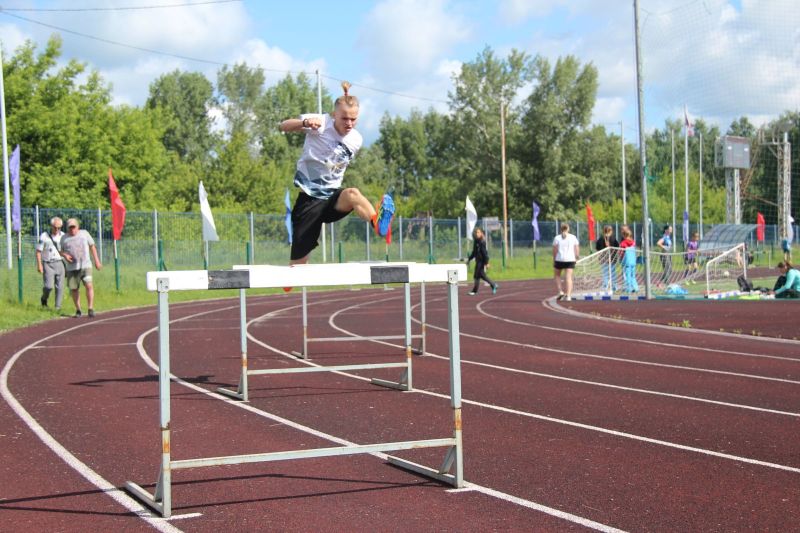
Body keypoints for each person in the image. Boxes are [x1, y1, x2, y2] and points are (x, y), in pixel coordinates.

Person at [280, 81, 393, 266]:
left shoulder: (356, 140)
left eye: (353, 119)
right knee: (298, 266)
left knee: (353, 194)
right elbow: (283, 126)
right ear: (334, 115)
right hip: (310, 200)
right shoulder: (320, 123)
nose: (349, 124)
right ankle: (293, 274)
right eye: (344, 119)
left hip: (333, 198)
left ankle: (378, 224)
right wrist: (304, 123)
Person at [60, 218, 102, 317]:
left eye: (74, 227)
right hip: (72, 267)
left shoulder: (84, 234)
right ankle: (78, 309)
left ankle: (90, 308)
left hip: (85, 265)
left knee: (89, 285)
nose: (72, 229)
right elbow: (60, 250)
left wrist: (97, 261)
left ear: (77, 227)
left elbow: (92, 246)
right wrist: (65, 255)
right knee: (74, 289)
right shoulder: (64, 238)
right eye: (70, 228)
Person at [35, 216, 66, 311]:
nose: (57, 229)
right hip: (48, 263)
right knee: (48, 286)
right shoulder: (44, 236)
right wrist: (39, 265)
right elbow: (38, 251)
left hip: (60, 262)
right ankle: (44, 299)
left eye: (59, 228)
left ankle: (57, 307)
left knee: (60, 286)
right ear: (51, 226)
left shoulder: (64, 236)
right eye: (55, 227)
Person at [467, 227, 497, 295]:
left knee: (477, 276)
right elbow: (474, 252)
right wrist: (469, 259)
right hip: (478, 261)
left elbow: (485, 253)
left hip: (481, 261)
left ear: (481, 233)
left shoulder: (482, 242)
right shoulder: (476, 241)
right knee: (482, 276)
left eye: (478, 232)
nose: (477, 234)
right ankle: (493, 285)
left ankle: (475, 291)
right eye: (476, 232)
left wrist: (487, 262)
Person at [553, 222, 579, 301]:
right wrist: (576, 257)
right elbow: (576, 248)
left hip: (559, 259)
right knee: (568, 277)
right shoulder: (573, 237)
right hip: (570, 259)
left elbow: (555, 250)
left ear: (561, 229)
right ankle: (568, 296)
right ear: (568, 229)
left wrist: (554, 259)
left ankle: (560, 291)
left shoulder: (557, 238)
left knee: (557, 275)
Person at [595, 225, 619, 292]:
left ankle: (605, 286)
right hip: (612, 259)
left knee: (605, 273)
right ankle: (614, 287)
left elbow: (598, 249)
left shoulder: (600, 239)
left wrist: (599, 257)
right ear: (611, 231)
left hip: (604, 259)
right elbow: (617, 248)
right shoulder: (613, 239)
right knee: (613, 273)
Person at [619, 226, 639, 293]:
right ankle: (635, 287)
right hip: (633, 261)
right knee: (633, 275)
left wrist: (620, 258)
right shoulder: (633, 242)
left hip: (626, 262)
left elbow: (621, 252)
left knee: (627, 275)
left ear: (624, 235)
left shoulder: (623, 243)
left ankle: (629, 288)